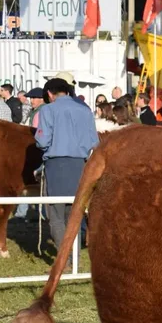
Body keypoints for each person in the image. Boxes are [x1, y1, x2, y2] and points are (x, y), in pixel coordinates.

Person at [34, 78, 99, 253]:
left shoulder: (47, 110)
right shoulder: (85, 111)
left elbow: (42, 141)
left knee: (55, 215)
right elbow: (95, 141)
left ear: (49, 94)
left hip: (56, 165)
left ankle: (66, 259)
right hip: (80, 165)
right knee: (74, 215)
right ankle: (74, 258)